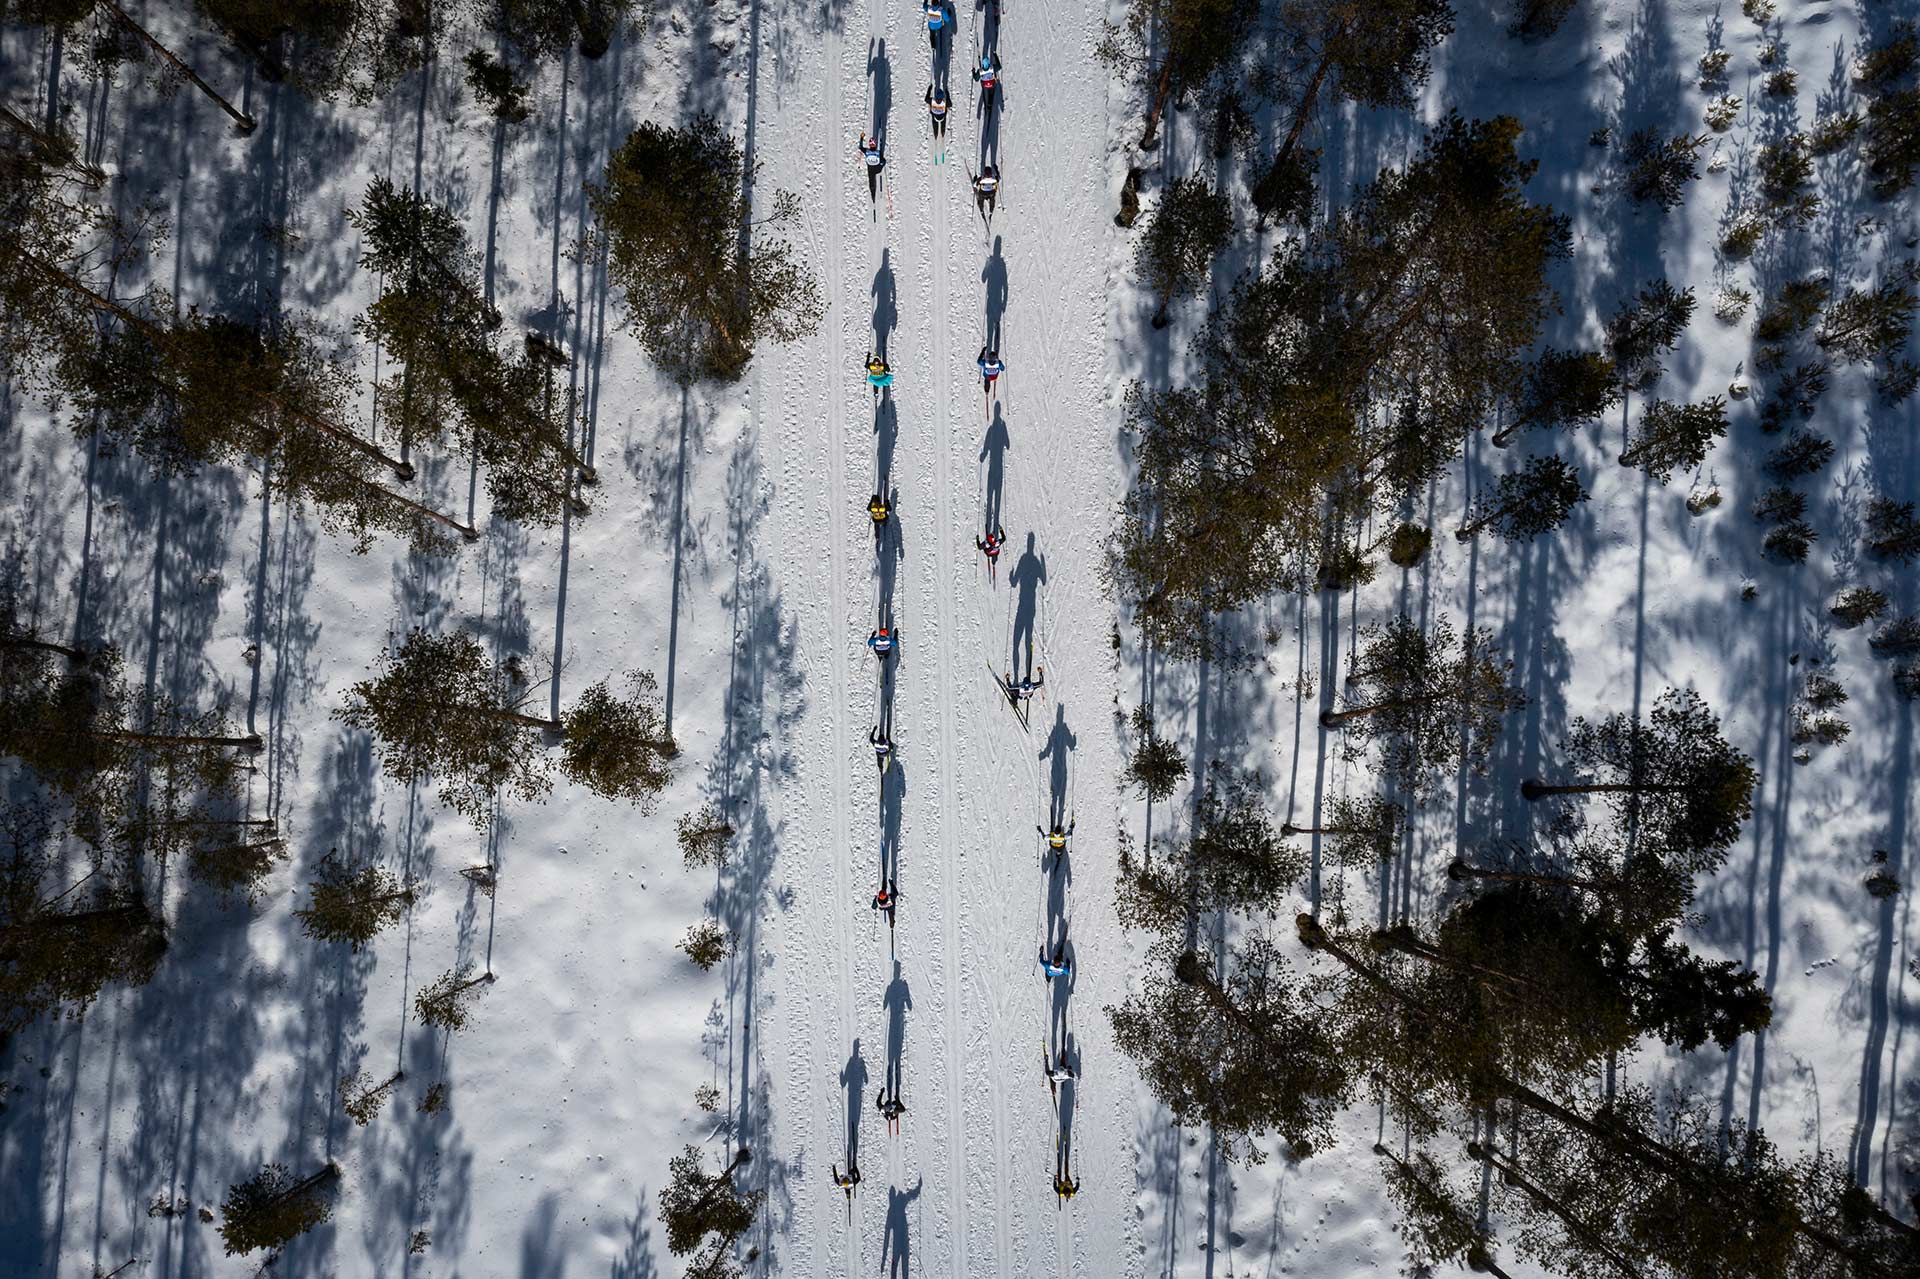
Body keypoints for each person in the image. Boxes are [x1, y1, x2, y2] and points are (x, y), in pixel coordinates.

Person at [857, 132, 885, 203]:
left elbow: (860, 147)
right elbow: (883, 161)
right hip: (878, 169)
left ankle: (873, 195)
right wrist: (882, 164)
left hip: (871, 170)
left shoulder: (867, 151)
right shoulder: (878, 152)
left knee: (871, 182)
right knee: (882, 161)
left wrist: (861, 138)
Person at [925, 84, 949, 157]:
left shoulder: (932, 101)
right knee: (943, 124)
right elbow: (950, 104)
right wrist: (947, 93)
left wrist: (929, 89)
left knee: (935, 126)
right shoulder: (944, 102)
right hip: (942, 118)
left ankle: (936, 135)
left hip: (935, 117)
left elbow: (926, 99)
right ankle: (942, 133)